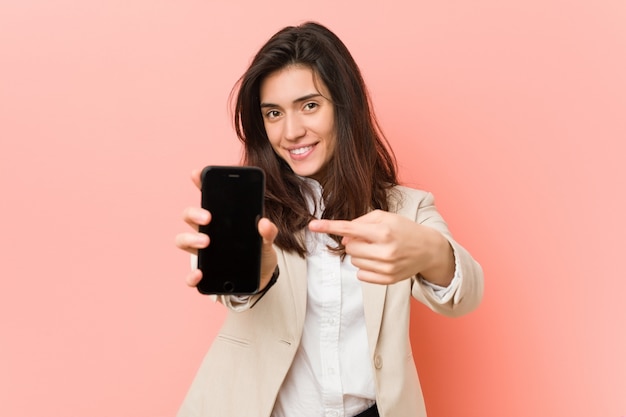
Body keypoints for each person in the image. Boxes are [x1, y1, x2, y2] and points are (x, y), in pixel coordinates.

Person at [174, 21, 483, 417]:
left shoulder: (405, 208)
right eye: (273, 113)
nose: (291, 131)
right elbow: (228, 292)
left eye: (309, 105)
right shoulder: (250, 209)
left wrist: (429, 252)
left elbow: (467, 295)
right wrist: (256, 275)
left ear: (344, 106)